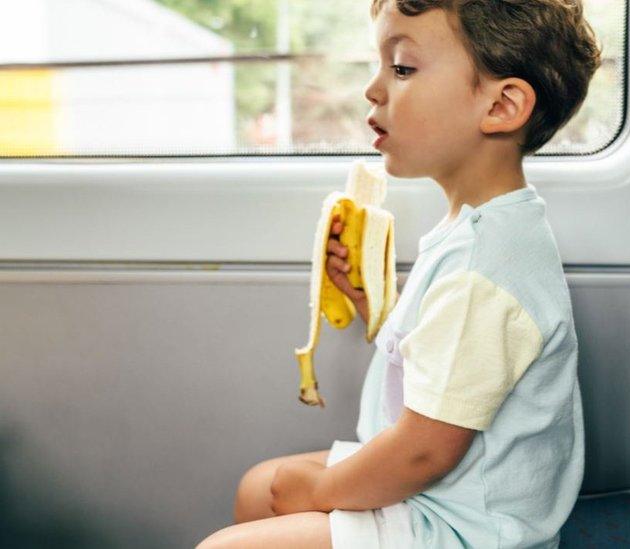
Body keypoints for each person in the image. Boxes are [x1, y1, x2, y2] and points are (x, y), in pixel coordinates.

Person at [197, 0, 601, 546]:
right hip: (441, 493)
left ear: (502, 105)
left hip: (466, 526)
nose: (373, 89)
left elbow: (424, 449)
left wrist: (322, 493)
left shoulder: (487, 268)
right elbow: (448, 356)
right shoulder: (478, 227)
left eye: (403, 68)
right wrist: (375, 306)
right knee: (258, 489)